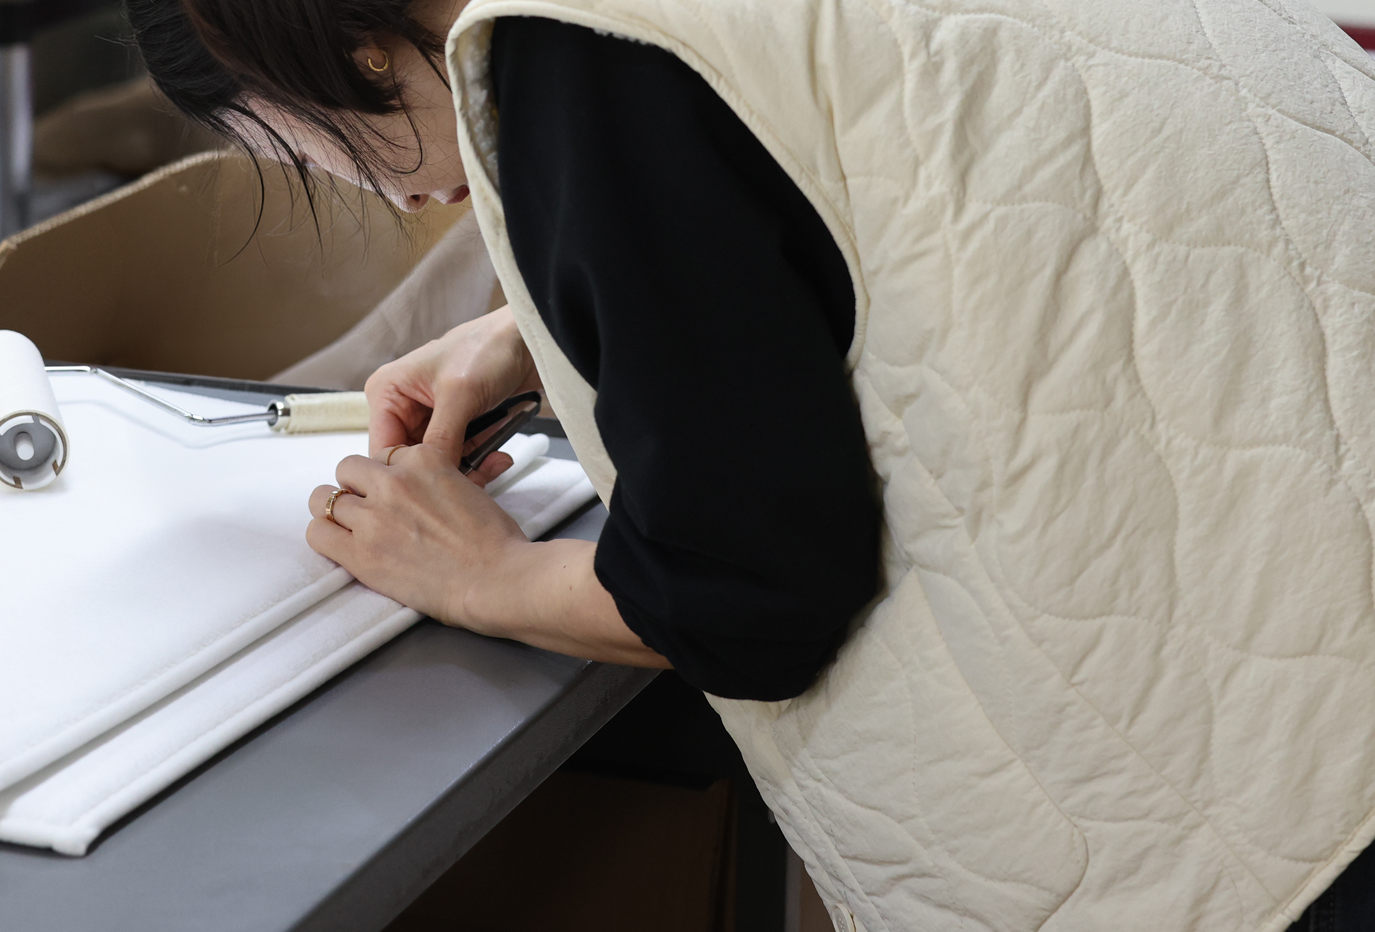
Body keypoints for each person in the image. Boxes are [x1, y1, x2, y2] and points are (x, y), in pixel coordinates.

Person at [124, 0, 1375, 929]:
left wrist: (478, 573)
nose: (388, 200)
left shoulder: (563, 49)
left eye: (306, 152)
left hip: (1292, 783)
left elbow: (753, 591)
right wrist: (553, 321)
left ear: (346, 54)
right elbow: (886, 152)